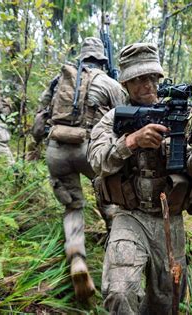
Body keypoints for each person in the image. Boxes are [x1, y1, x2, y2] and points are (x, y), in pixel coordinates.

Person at [87, 43, 192, 314]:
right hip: (130, 216)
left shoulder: (185, 118)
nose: (147, 85)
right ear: (126, 83)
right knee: (120, 291)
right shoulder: (113, 120)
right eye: (138, 79)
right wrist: (130, 141)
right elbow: (96, 161)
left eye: (152, 78)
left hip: (170, 221)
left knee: (168, 300)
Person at [36, 37, 127, 301]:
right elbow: (125, 117)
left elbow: (41, 113)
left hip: (56, 148)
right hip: (89, 149)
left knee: (73, 207)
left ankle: (77, 258)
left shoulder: (59, 81)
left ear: (81, 58)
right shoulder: (108, 83)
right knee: (111, 201)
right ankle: (117, 255)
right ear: (102, 60)